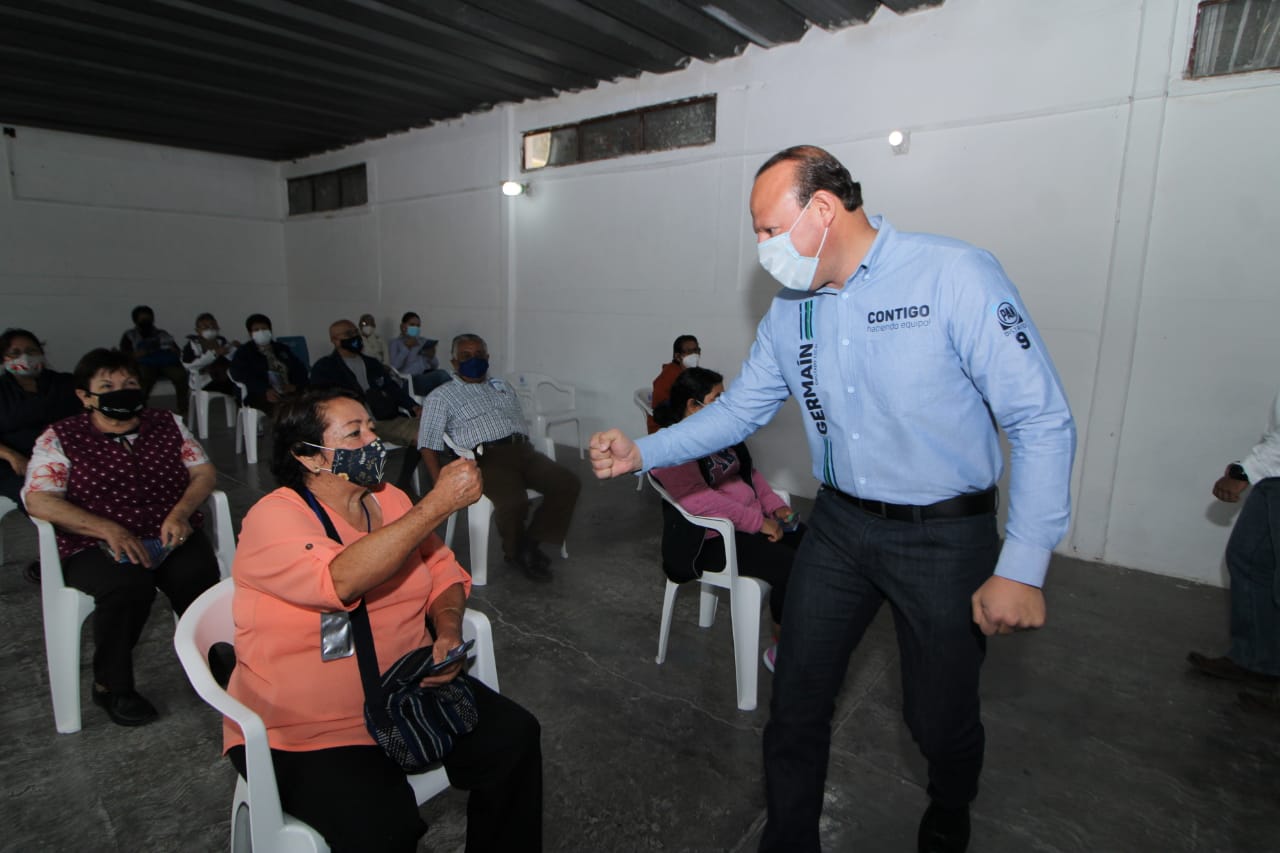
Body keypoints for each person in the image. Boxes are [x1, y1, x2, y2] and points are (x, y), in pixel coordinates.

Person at [589, 145, 1076, 853]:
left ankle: (951, 799)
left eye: (767, 228)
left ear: (822, 209)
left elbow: (1040, 419)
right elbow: (739, 412)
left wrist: (1023, 564)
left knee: (937, 720)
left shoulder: (954, 275)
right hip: (841, 525)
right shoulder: (792, 312)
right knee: (796, 704)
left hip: (944, 536)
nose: (761, 249)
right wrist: (646, 450)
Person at [225, 388, 542, 852]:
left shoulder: (387, 498)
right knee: (386, 830)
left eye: (372, 427)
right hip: (310, 729)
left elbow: (441, 569)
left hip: (407, 688)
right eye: (355, 433)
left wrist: (448, 626)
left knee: (514, 739)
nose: (374, 441)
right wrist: (435, 505)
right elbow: (341, 580)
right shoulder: (272, 519)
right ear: (310, 457)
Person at [22, 348, 221, 726]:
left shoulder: (167, 423)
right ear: (85, 396)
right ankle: (111, 684)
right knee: (128, 588)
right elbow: (40, 500)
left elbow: (203, 473)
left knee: (196, 575)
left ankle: (210, 658)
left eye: (129, 384)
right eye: (107, 386)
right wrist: (106, 528)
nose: (122, 391)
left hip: (168, 532)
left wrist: (179, 513)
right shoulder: (61, 437)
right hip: (92, 542)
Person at [650, 367, 803, 670]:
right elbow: (702, 502)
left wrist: (775, 508)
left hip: (747, 523)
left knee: (813, 544)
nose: (726, 404)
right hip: (711, 540)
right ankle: (783, 649)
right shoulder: (673, 448)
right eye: (717, 398)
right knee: (792, 567)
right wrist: (759, 522)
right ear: (693, 405)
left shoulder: (720, 433)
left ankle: (805, 632)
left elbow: (749, 474)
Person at [418, 334, 581, 582]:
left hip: (523, 451)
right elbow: (427, 443)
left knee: (567, 483)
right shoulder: (441, 397)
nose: (475, 360)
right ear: (453, 362)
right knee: (513, 501)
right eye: (466, 356)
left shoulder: (502, 386)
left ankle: (530, 543)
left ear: (488, 358)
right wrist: (438, 485)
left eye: (479, 355)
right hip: (487, 458)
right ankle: (516, 553)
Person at [1188, 387, 1280, 718]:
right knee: (1249, 559)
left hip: (1269, 468)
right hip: (1273, 475)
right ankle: (1258, 660)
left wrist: (1243, 472)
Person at [309, 319, 425, 491]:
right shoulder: (326, 367)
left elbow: (392, 388)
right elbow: (318, 398)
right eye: (348, 334)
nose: (354, 336)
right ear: (334, 340)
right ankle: (363, 490)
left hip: (385, 418)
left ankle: (403, 484)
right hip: (353, 425)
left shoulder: (372, 363)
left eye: (355, 332)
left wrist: (413, 406)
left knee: (424, 433)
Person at [0, 329, 80, 506]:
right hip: (19, 464)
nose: (25, 357)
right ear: (3, 359)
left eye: (31, 351)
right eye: (15, 353)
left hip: (70, 457)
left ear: (42, 353)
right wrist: (11, 455)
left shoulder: (66, 383)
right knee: (42, 498)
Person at [228, 313, 308, 417]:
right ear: (250, 333)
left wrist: (295, 386)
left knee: (309, 403)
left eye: (264, 328)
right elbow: (240, 374)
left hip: (287, 390)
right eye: (256, 330)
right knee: (283, 408)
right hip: (259, 393)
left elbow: (299, 368)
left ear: (270, 330)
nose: (261, 332)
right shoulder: (244, 352)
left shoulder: (282, 349)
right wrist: (264, 390)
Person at [119, 305, 188, 416]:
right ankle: (140, 407)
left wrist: (173, 350)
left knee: (180, 375)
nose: (146, 321)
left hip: (165, 363)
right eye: (143, 319)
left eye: (148, 318)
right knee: (144, 376)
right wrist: (140, 353)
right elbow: (125, 354)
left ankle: (183, 407)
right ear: (136, 320)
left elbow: (177, 352)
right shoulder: (130, 335)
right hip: (144, 363)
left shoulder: (162, 334)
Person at [389, 311, 450, 397]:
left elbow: (435, 365)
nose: (415, 328)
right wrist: (406, 348)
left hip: (427, 375)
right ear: (403, 326)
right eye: (412, 325)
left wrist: (431, 356)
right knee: (442, 375)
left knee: (449, 376)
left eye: (418, 326)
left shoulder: (422, 341)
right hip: (410, 380)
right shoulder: (395, 343)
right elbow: (394, 367)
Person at [648, 334, 701, 434]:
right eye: (689, 352)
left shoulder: (691, 372)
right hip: (664, 425)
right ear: (677, 356)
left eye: (696, 350)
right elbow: (662, 411)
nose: (694, 355)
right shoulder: (670, 375)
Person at [181, 312, 238, 398]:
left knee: (243, 381)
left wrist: (236, 349)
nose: (210, 329)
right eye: (206, 327)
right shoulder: (192, 345)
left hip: (224, 376)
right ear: (198, 330)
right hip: (203, 381)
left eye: (213, 326)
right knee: (234, 386)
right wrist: (214, 354)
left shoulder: (221, 341)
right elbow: (188, 364)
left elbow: (231, 359)